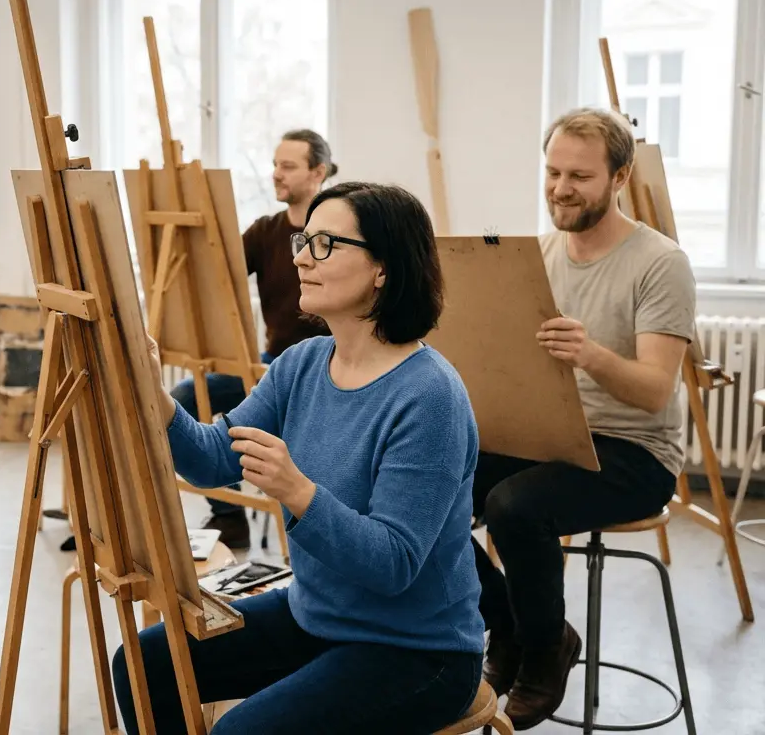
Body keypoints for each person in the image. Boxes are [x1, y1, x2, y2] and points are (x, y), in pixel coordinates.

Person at [113, 181, 485, 734]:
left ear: (383, 269)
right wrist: (154, 394)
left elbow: (393, 566)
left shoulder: (429, 397)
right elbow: (213, 459)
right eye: (303, 241)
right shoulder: (302, 363)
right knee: (144, 666)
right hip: (317, 616)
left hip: (415, 650)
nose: (302, 259)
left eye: (325, 244)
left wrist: (298, 492)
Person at [472, 107, 693, 729]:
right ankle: (508, 626)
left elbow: (655, 393)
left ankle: (544, 651)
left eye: (579, 176)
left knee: (515, 507)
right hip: (552, 434)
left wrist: (589, 353)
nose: (560, 188)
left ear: (619, 177)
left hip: (636, 452)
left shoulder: (660, 262)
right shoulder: (539, 254)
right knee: (425, 483)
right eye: (552, 172)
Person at [168, 129, 336, 549]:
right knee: (186, 396)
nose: (276, 173)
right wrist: (185, 219)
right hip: (271, 363)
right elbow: (215, 272)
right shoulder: (265, 231)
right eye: (275, 164)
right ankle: (229, 516)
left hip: (325, 367)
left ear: (318, 172)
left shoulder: (337, 235)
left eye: (288, 166)